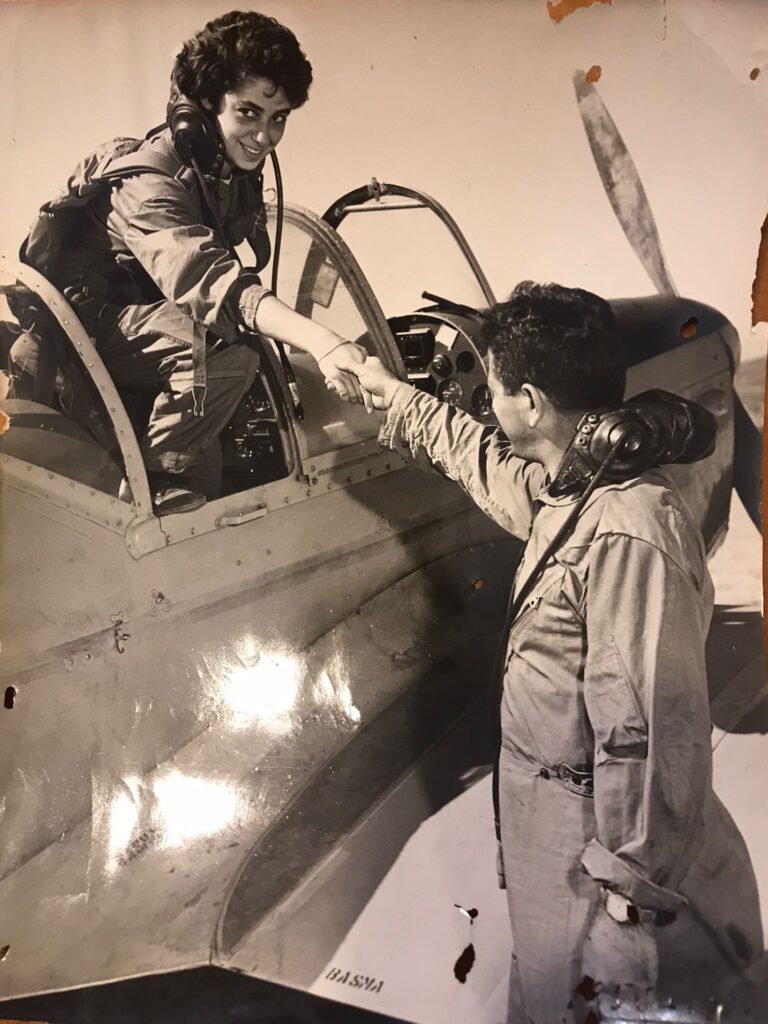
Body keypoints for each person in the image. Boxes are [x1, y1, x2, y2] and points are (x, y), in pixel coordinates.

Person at [355, 281, 763, 1023]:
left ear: (531, 402)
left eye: (498, 388)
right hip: (548, 828)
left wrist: (626, 912)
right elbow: (480, 459)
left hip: (595, 852)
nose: (491, 403)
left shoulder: (627, 530)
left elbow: (650, 730)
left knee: (577, 1001)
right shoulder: (573, 487)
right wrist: (391, 396)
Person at [20, 10, 368, 514]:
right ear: (203, 105)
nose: (265, 137)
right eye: (248, 113)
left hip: (144, 337)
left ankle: (172, 478)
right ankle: (153, 484)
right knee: (224, 348)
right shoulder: (147, 181)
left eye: (278, 118)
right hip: (81, 336)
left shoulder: (225, 173)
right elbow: (208, 282)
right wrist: (323, 341)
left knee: (209, 489)